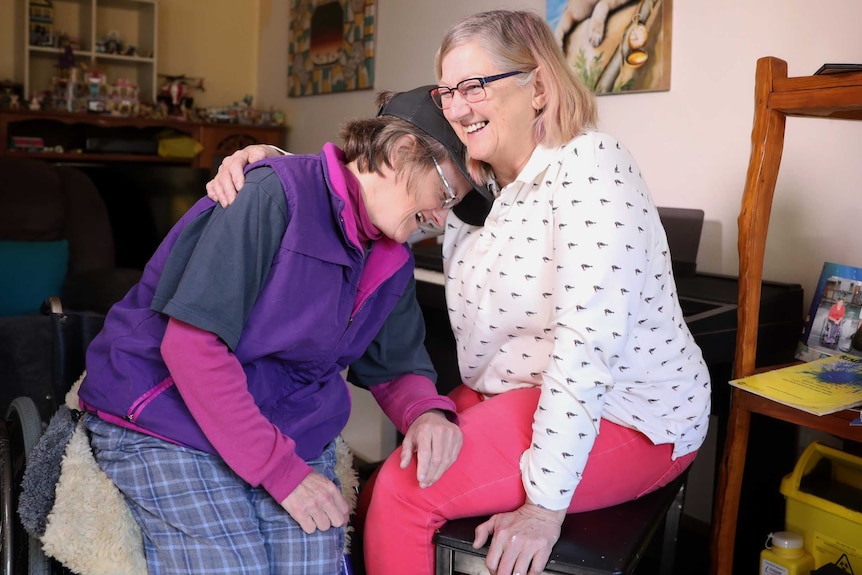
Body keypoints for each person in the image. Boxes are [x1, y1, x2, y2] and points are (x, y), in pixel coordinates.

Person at [208, 10, 711, 575]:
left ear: (539, 86)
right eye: (448, 90)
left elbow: (587, 349)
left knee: (402, 497)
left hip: (628, 410)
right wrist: (280, 171)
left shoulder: (592, 167)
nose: (457, 105)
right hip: (517, 391)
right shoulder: (478, 190)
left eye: (475, 86)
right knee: (374, 494)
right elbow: (370, 183)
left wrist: (544, 508)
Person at [76, 86, 480, 575]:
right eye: (444, 194)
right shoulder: (271, 195)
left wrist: (424, 413)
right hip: (168, 415)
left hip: (285, 426)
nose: (440, 218)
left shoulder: (391, 259)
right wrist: (279, 472)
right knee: (232, 566)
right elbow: (191, 347)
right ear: (400, 153)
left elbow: (396, 364)